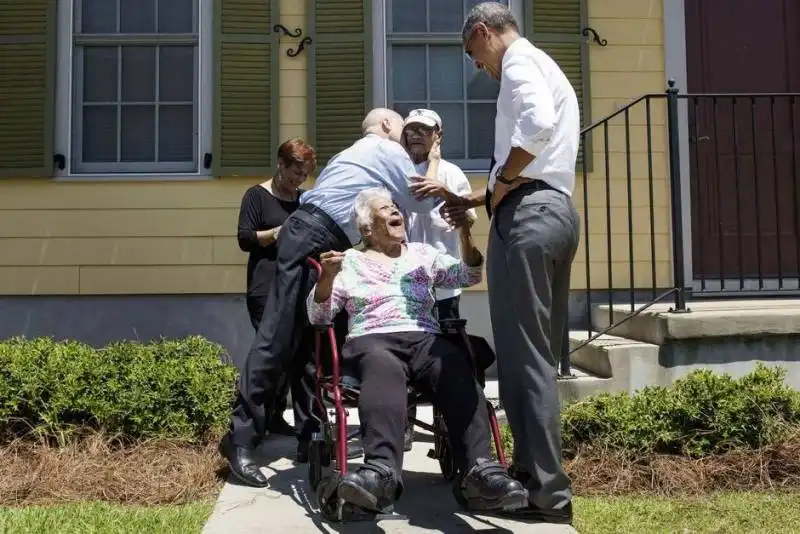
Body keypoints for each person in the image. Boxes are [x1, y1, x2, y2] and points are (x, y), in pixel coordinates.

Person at [414, 2, 581, 524]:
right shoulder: (544, 64)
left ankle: (546, 491)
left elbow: (536, 128)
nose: (478, 67)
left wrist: (502, 182)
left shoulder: (517, 62)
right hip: (554, 211)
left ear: (484, 33)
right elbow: (543, 153)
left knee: (522, 356)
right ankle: (532, 475)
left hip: (528, 217)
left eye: (473, 54)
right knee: (534, 354)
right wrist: (479, 201)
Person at [220, 108, 449, 488]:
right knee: (276, 338)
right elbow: (423, 201)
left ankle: (312, 438)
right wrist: (435, 158)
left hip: (321, 239)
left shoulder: (347, 157)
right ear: (388, 126)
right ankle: (240, 440)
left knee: (314, 347)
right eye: (402, 127)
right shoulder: (385, 150)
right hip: (314, 235)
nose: (407, 136)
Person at [307, 187, 527, 514]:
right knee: (382, 368)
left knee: (455, 366)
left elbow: (469, 274)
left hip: (425, 338)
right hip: (373, 338)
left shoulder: (423, 254)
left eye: (396, 207)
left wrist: (465, 233)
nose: (397, 211)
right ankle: (380, 472)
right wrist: (327, 279)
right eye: (386, 208)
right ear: (367, 228)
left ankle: (480, 470)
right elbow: (318, 316)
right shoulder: (349, 262)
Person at [236, 138, 315, 438]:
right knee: (273, 354)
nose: (299, 180)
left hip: (299, 285)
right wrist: (279, 233)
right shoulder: (256, 196)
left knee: (299, 355)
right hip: (265, 286)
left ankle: (285, 418)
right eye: (295, 173)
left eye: (304, 175)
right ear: (280, 165)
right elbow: (245, 239)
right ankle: (258, 417)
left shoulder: (305, 200)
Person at [403, 109, 477, 321]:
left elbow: (470, 219)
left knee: (447, 342)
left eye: (424, 129)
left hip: (444, 276)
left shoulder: (450, 172)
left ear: (438, 135)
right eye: (410, 130)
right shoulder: (399, 170)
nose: (416, 135)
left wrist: (447, 196)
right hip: (406, 278)